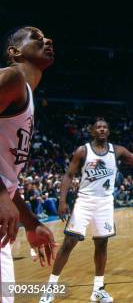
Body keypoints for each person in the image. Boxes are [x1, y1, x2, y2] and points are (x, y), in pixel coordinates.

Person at [39, 118, 133, 303]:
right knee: (69, 242)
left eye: (105, 127)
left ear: (108, 131)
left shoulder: (118, 151)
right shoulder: (83, 151)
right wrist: (61, 201)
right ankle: (50, 288)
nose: (101, 129)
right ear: (92, 131)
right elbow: (68, 175)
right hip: (84, 201)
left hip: (105, 203)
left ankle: (98, 289)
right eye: (98, 127)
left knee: (101, 245)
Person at [0, 27, 57, 303]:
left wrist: (31, 222)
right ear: (14, 52)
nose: (46, 40)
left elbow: (7, 179)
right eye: (35, 36)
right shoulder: (11, 78)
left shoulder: (26, 95)